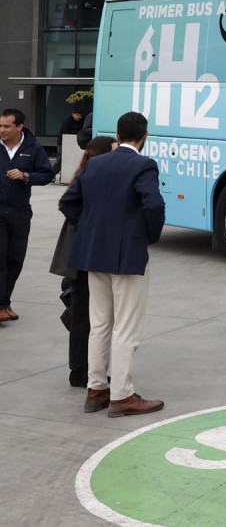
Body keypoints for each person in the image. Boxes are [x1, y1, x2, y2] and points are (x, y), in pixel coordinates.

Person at [59, 112, 166, 417]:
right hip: (127, 256)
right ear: (144, 136)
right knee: (126, 327)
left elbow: (68, 201)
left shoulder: (95, 162)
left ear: (118, 135)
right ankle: (122, 395)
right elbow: (154, 204)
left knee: (100, 324)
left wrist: (91, 228)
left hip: (94, 254)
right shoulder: (144, 164)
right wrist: (146, 236)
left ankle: (96, 389)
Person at [48, 135, 117, 387]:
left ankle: (81, 368)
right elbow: (67, 205)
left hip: (79, 254)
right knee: (84, 314)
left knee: (83, 313)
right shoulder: (92, 178)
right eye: (113, 150)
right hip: (83, 255)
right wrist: (88, 225)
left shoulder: (86, 174)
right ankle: (80, 369)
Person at [1, 108, 55, 323]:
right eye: (0, 126)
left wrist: (26, 176)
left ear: (19, 127)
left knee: (15, 260)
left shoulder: (33, 148)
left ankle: (5, 302)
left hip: (20, 213)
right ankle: (1, 306)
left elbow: (47, 174)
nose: (2, 130)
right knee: (0, 259)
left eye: (7, 126)